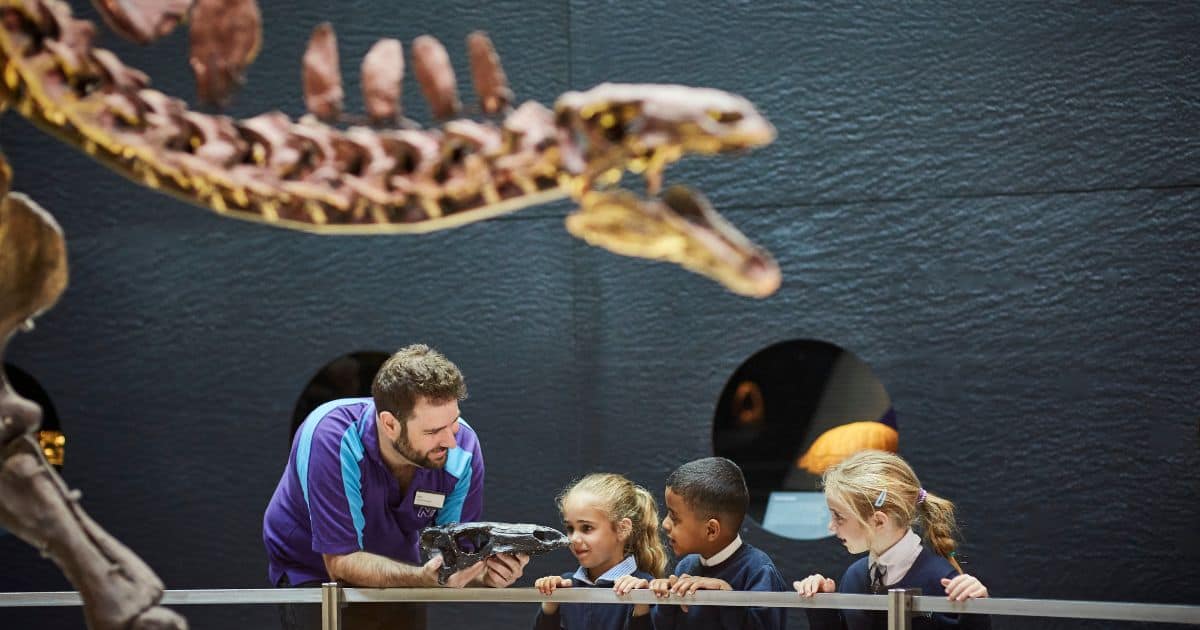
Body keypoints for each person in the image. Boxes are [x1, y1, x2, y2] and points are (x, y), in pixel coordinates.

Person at [263, 344, 528, 630]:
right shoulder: (331, 437)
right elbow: (341, 561)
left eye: (452, 423)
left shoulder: (462, 448)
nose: (450, 441)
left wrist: (485, 575)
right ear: (390, 424)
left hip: (400, 564)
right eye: (432, 431)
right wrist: (421, 579)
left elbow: (455, 558)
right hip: (314, 567)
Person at [794, 449, 991, 630]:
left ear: (879, 521)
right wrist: (821, 604)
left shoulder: (943, 581)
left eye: (839, 517)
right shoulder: (854, 576)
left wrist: (976, 612)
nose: (831, 526)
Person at [621, 457, 787, 629]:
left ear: (711, 530)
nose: (665, 524)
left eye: (674, 517)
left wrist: (726, 597)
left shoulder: (759, 571)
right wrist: (653, 603)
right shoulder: (686, 567)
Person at [533, 473, 667, 629]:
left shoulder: (646, 587)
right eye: (570, 528)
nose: (574, 539)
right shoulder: (564, 586)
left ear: (622, 529)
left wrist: (641, 607)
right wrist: (549, 607)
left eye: (587, 528)